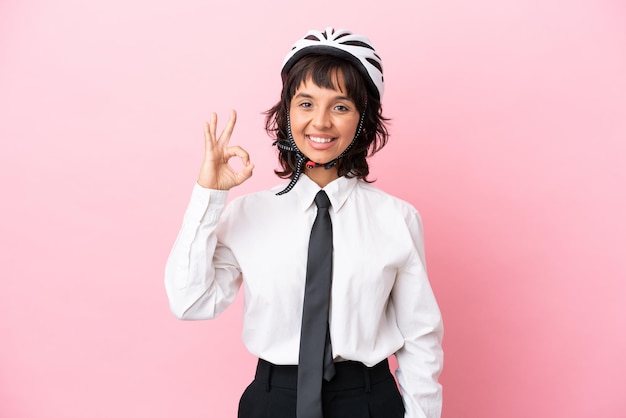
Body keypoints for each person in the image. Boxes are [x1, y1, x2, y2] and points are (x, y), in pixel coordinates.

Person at [165, 27, 443, 418]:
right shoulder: (247, 214)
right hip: (273, 400)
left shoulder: (396, 219)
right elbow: (189, 301)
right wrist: (208, 195)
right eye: (306, 103)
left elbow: (420, 339)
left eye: (341, 106)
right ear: (287, 112)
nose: (321, 122)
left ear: (363, 121)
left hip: (366, 400)